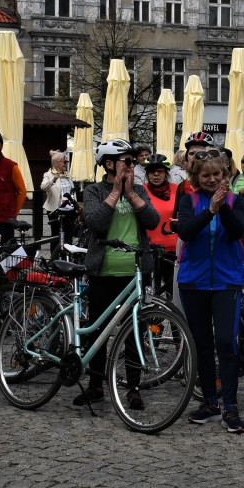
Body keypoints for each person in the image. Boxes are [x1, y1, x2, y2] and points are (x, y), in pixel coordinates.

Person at [77, 139, 159, 407]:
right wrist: (114, 192)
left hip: (135, 272)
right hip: (103, 271)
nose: (132, 166)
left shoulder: (139, 190)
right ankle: (96, 384)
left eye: (133, 161)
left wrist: (132, 195)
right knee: (98, 330)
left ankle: (133, 387)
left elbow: (153, 221)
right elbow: (96, 223)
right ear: (109, 163)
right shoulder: (93, 191)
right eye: (127, 161)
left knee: (134, 331)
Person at [178, 151, 244, 433]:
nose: (211, 179)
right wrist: (209, 212)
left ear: (225, 176)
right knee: (202, 344)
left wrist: (223, 208)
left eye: (216, 174)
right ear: (196, 177)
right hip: (193, 281)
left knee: (226, 342)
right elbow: (186, 232)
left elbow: (236, 232)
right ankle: (210, 402)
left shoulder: (236, 200)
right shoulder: (188, 201)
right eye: (205, 175)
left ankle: (230, 406)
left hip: (226, 281)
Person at [143, 154, 177, 295]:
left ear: (166, 173)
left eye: (160, 171)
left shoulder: (176, 189)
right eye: (152, 171)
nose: (156, 174)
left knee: (173, 291)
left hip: (172, 250)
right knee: (150, 292)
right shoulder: (141, 191)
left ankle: (172, 318)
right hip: (150, 249)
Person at [41, 149, 77, 247]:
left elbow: (71, 192)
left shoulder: (67, 175)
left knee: (69, 236)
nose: (67, 164)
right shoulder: (48, 175)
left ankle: (67, 258)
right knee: (56, 236)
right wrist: (53, 179)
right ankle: (54, 259)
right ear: (57, 163)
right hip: (55, 210)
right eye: (65, 162)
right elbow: (43, 187)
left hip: (69, 210)